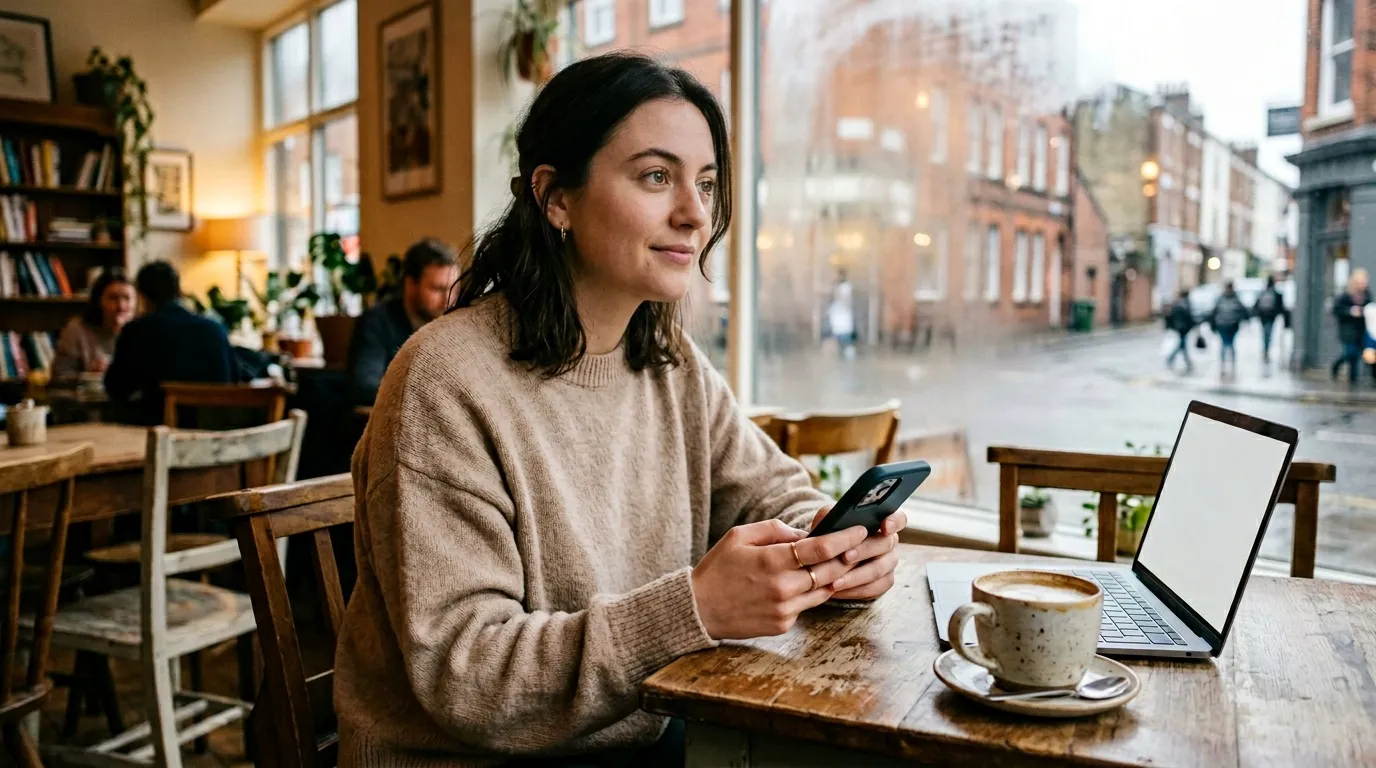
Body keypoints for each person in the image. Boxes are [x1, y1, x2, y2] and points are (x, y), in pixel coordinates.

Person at [335, 52, 903, 766]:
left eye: (705, 183)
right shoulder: (444, 380)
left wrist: (829, 547)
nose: (695, 213)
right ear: (556, 198)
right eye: (656, 177)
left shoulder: (668, 362)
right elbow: (468, 676)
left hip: (642, 731)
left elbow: (775, 494)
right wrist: (692, 610)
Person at [104, 261, 238, 425]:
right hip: (216, 435)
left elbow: (116, 388)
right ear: (179, 291)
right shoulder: (215, 328)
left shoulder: (137, 330)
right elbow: (234, 379)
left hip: (161, 432)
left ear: (142, 296)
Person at [346, 237, 458, 404]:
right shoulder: (376, 323)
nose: (448, 299)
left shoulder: (454, 326)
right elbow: (365, 386)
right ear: (410, 284)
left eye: (453, 288)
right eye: (437, 289)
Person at [51, 268, 135, 385]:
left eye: (127, 298)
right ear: (99, 301)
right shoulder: (77, 329)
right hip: (87, 400)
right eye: (113, 298)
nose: (121, 306)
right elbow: (58, 377)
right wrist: (89, 375)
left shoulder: (141, 331)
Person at [1332, 268, 1371, 384]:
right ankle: (1337, 365)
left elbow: (1370, 308)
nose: (1362, 285)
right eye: (1360, 282)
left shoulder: (1367, 295)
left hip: (1361, 329)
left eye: (1364, 282)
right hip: (1348, 329)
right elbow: (1337, 309)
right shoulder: (1346, 295)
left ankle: (1353, 379)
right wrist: (1350, 311)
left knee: (1358, 355)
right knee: (1351, 352)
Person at [1209, 281, 1248, 376]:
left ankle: (1231, 366)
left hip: (1231, 326)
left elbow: (1243, 311)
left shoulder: (1233, 299)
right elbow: (1213, 312)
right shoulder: (1227, 299)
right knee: (1225, 345)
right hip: (1223, 325)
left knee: (1229, 345)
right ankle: (1224, 366)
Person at [1254, 275, 1285, 366]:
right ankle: (1266, 350)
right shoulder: (1274, 293)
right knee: (1268, 333)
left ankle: (1266, 349)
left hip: (1265, 317)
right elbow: (1280, 306)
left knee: (1265, 333)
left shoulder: (1264, 292)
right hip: (1270, 317)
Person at [1165, 288, 1195, 373]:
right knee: (1182, 345)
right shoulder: (1186, 303)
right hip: (1184, 328)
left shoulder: (1177, 303)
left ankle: (1174, 360)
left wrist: (1171, 326)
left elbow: (1171, 316)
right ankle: (1184, 361)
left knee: (1181, 345)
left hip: (1179, 328)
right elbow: (1189, 317)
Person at [828, 268, 857, 358]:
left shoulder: (846, 286)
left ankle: (848, 347)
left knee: (845, 328)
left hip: (844, 310)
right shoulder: (837, 285)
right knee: (837, 328)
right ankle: (839, 347)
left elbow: (845, 297)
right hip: (838, 310)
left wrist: (840, 298)